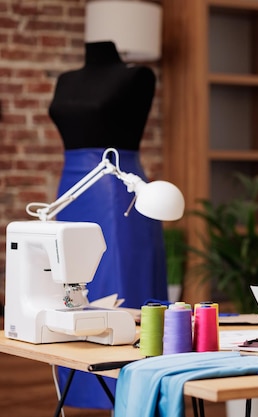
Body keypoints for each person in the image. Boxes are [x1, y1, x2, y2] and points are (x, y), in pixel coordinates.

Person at [47, 41, 168, 410]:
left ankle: (132, 397)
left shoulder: (138, 78)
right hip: (71, 193)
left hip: (119, 194)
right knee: (68, 297)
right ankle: (78, 393)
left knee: (121, 294)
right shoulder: (66, 79)